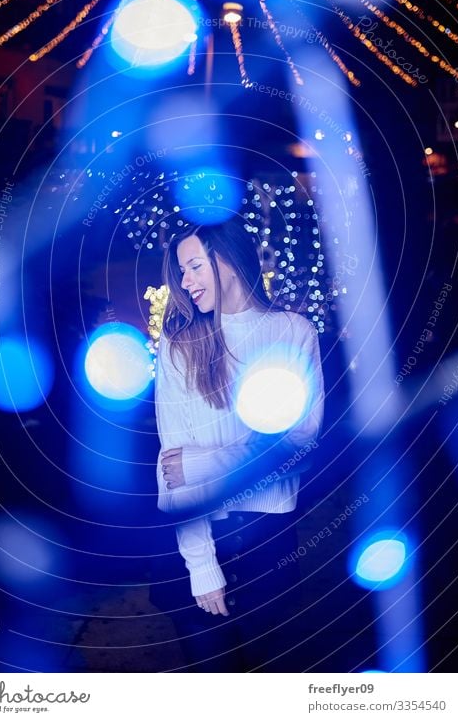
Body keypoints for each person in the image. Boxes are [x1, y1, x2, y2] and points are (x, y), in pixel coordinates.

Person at [152, 218, 324, 671]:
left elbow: (300, 442)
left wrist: (206, 463)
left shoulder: (293, 332)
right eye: (181, 272)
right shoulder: (179, 343)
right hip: (201, 538)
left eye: (193, 267)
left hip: (271, 541)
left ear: (226, 261)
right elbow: (171, 468)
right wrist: (202, 568)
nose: (184, 283)